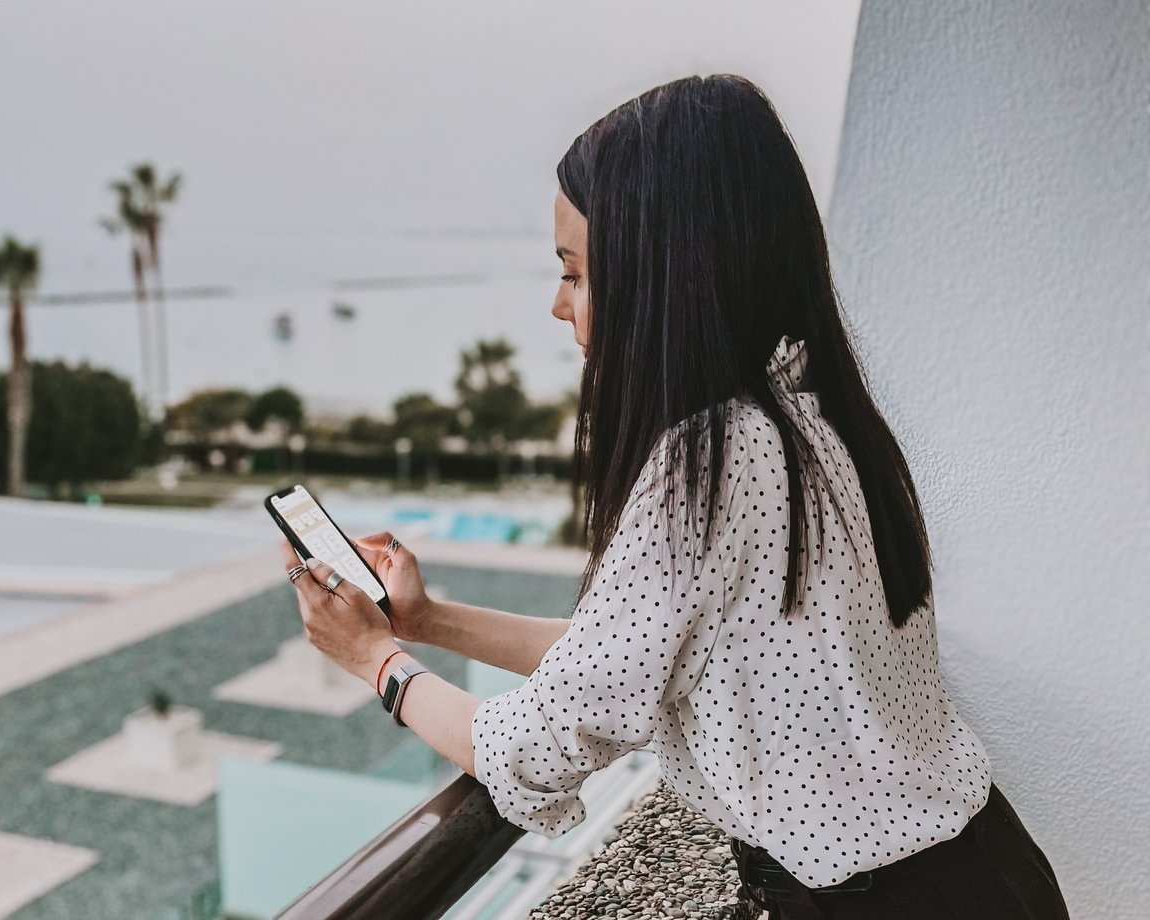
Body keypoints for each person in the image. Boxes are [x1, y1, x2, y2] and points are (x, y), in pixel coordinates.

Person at [278, 73, 1071, 920]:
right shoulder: (813, 407)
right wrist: (424, 621)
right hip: (987, 870)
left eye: (576, 274)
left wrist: (376, 663)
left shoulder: (713, 457)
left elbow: (538, 746)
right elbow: (627, 656)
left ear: (665, 275)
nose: (557, 305)